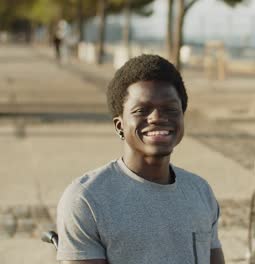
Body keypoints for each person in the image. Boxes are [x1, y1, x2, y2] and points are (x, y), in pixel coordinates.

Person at [56, 55, 225, 264]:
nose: (157, 117)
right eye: (141, 110)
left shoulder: (200, 191)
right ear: (119, 126)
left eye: (171, 109)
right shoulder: (86, 200)